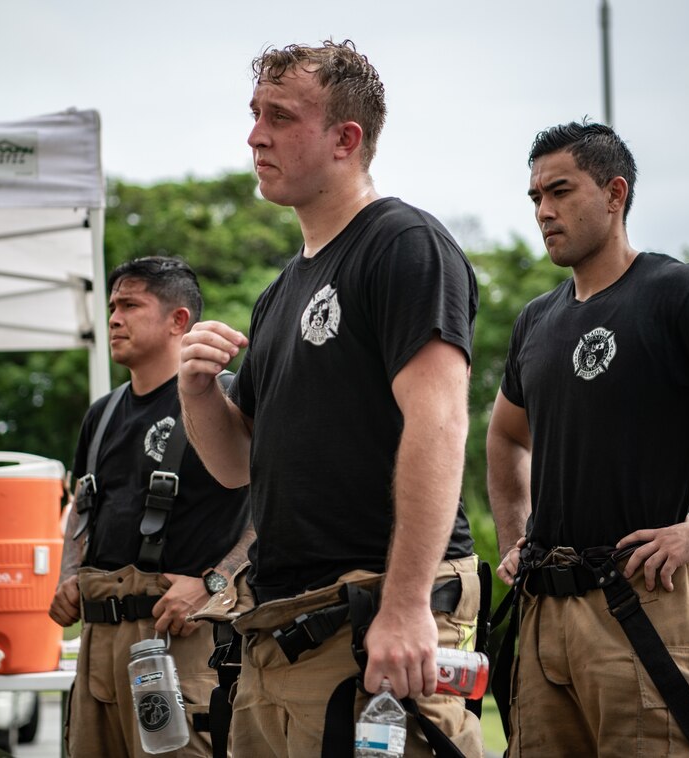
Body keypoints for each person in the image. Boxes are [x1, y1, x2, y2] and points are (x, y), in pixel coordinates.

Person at [177, 40, 484, 757]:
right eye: (255, 114)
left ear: (346, 139)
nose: (255, 134)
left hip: (374, 625)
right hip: (279, 633)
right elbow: (237, 464)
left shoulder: (404, 245)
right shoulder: (279, 293)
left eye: (280, 117)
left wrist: (408, 607)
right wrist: (197, 392)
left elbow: (440, 424)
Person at [486, 120, 689, 756]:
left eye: (560, 191)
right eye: (535, 199)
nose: (544, 212)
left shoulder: (678, 293)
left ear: (615, 193)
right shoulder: (537, 320)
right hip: (545, 616)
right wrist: (513, 537)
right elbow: (505, 437)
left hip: (648, 598)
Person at [49, 256, 253, 758]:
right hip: (99, 644)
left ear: (178, 321)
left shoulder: (224, 400)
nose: (114, 318)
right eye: (112, 305)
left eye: (131, 305)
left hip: (178, 640)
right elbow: (82, 504)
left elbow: (277, 510)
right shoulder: (102, 413)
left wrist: (215, 584)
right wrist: (67, 575)